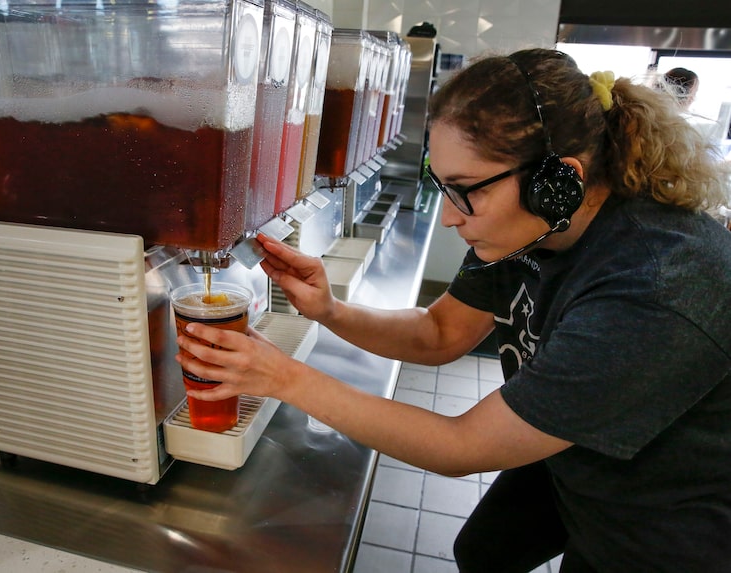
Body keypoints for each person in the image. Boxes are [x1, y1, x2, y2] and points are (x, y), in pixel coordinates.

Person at [176, 48, 731, 572]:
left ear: (558, 181)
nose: (448, 217)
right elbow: (440, 332)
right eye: (442, 187)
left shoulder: (656, 286)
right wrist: (329, 310)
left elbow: (462, 445)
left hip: (666, 525)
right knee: (484, 551)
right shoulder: (534, 229)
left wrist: (284, 377)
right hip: (580, 461)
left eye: (465, 191)